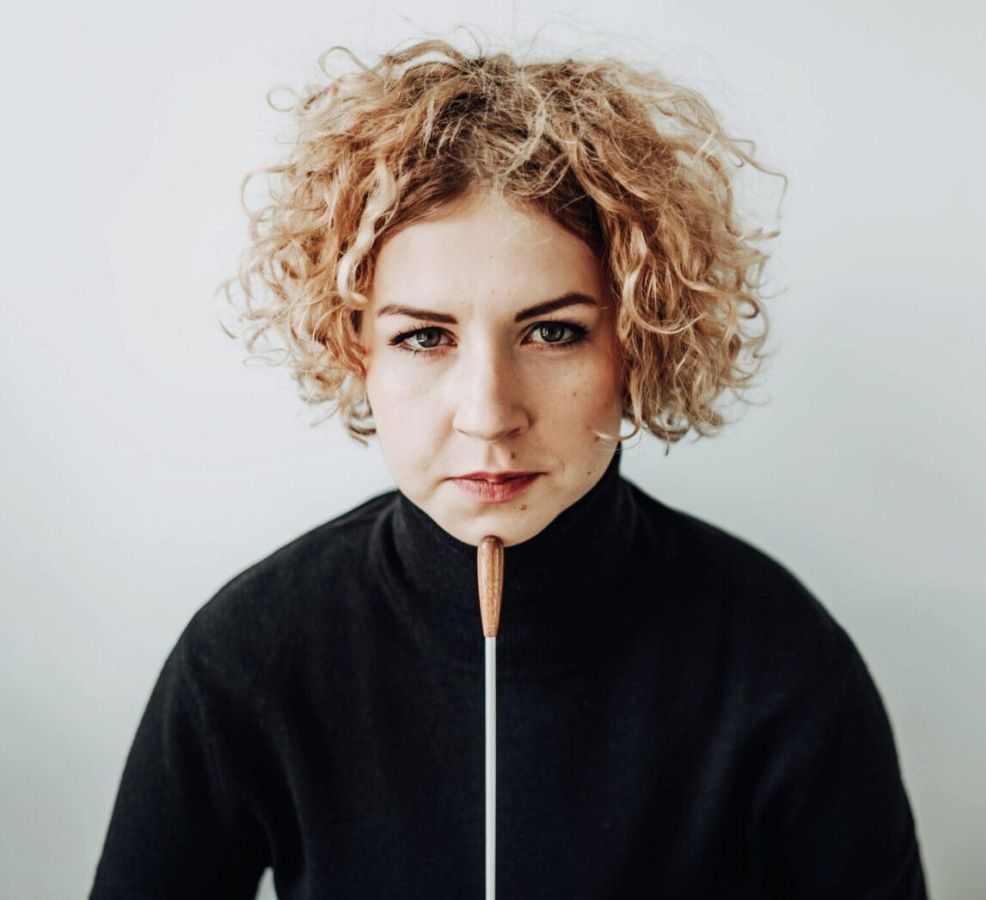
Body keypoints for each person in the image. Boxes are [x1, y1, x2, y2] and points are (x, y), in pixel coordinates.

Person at [89, 34, 928, 899]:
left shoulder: (778, 660)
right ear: (353, 347)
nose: (489, 413)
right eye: (425, 336)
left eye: (553, 332)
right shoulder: (250, 654)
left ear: (639, 340)